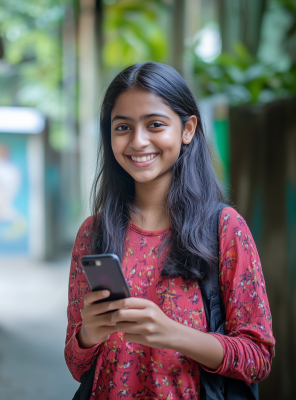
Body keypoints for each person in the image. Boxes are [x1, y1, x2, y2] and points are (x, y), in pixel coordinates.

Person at [64, 62, 274, 399]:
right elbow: (75, 365)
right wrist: (89, 332)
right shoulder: (93, 233)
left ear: (187, 129)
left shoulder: (225, 229)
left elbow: (258, 358)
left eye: (155, 124)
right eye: (122, 128)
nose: (138, 141)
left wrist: (171, 334)